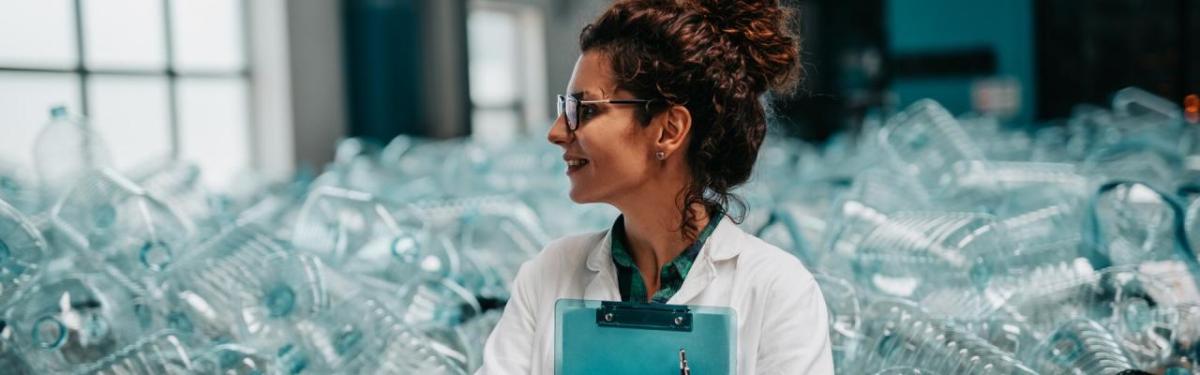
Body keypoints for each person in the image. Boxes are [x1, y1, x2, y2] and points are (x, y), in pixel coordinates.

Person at [479, 0, 833, 373]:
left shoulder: (778, 291)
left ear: (668, 130)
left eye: (584, 110)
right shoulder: (550, 273)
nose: (556, 133)